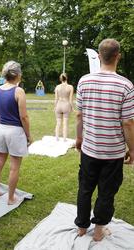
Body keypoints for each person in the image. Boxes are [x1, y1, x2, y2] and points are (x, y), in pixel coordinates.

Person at [75, 38, 134, 241]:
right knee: (106, 192)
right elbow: (128, 123)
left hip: (90, 148)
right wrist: (132, 150)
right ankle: (99, 230)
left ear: (99, 56)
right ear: (118, 56)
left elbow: (79, 116)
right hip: (113, 152)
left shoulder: (84, 80)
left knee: (85, 188)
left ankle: (81, 227)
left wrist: (79, 138)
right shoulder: (126, 86)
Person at [0, 61, 33, 205]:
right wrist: (28, 135)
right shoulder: (18, 91)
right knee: (14, 167)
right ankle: (10, 198)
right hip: (15, 131)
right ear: (18, 74)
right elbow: (24, 117)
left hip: (1, 129)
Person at [54, 73, 74, 141]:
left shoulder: (57, 87)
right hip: (66, 105)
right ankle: (64, 139)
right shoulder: (70, 87)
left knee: (58, 123)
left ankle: (57, 138)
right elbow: (71, 100)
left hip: (58, 105)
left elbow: (56, 99)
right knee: (65, 123)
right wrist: (72, 108)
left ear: (60, 79)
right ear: (67, 78)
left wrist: (54, 107)